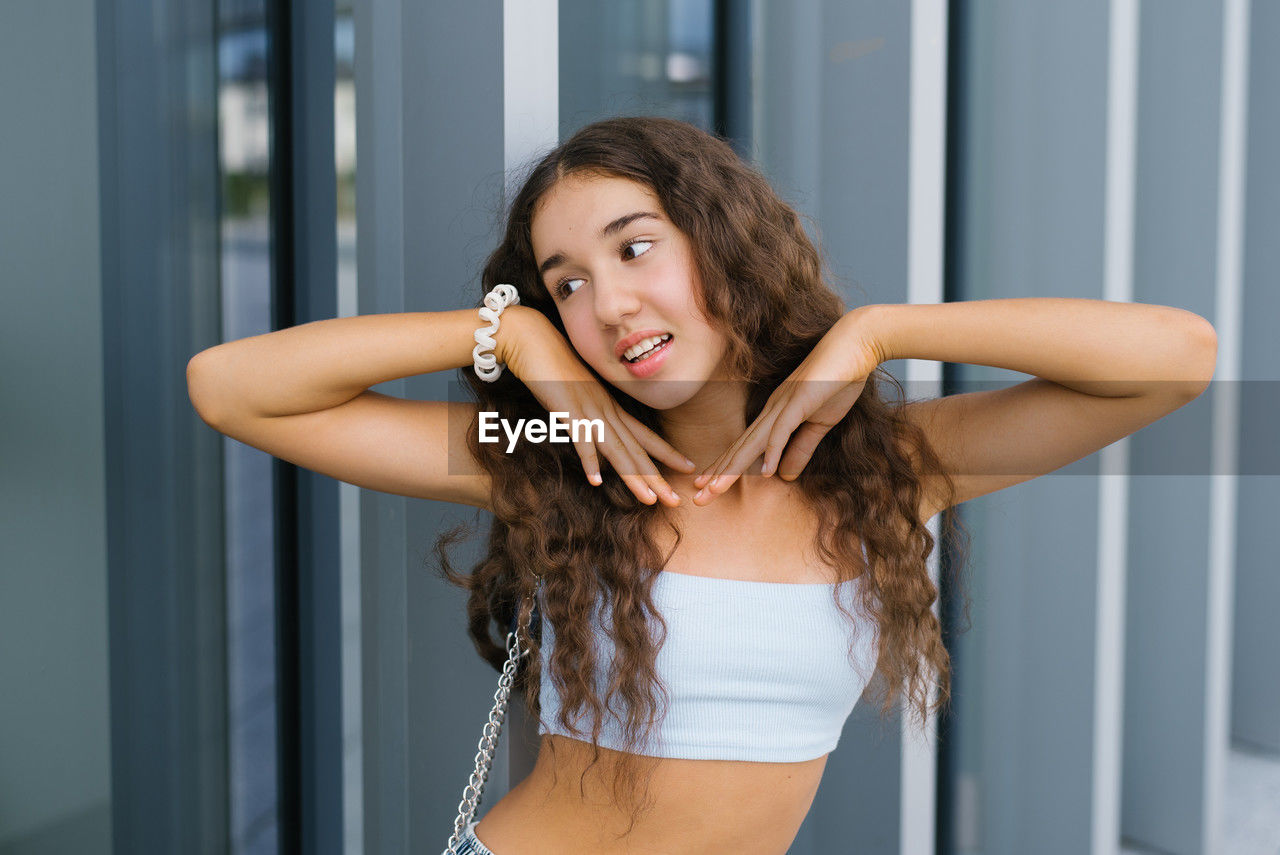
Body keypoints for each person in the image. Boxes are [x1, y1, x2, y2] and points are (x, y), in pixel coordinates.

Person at [186, 116, 1217, 855]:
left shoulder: (890, 470)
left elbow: (1174, 358)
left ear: (723, 242)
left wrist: (879, 331)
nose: (609, 304)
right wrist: (511, 336)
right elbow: (232, 389)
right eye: (568, 284)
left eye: (635, 249)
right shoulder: (550, 464)